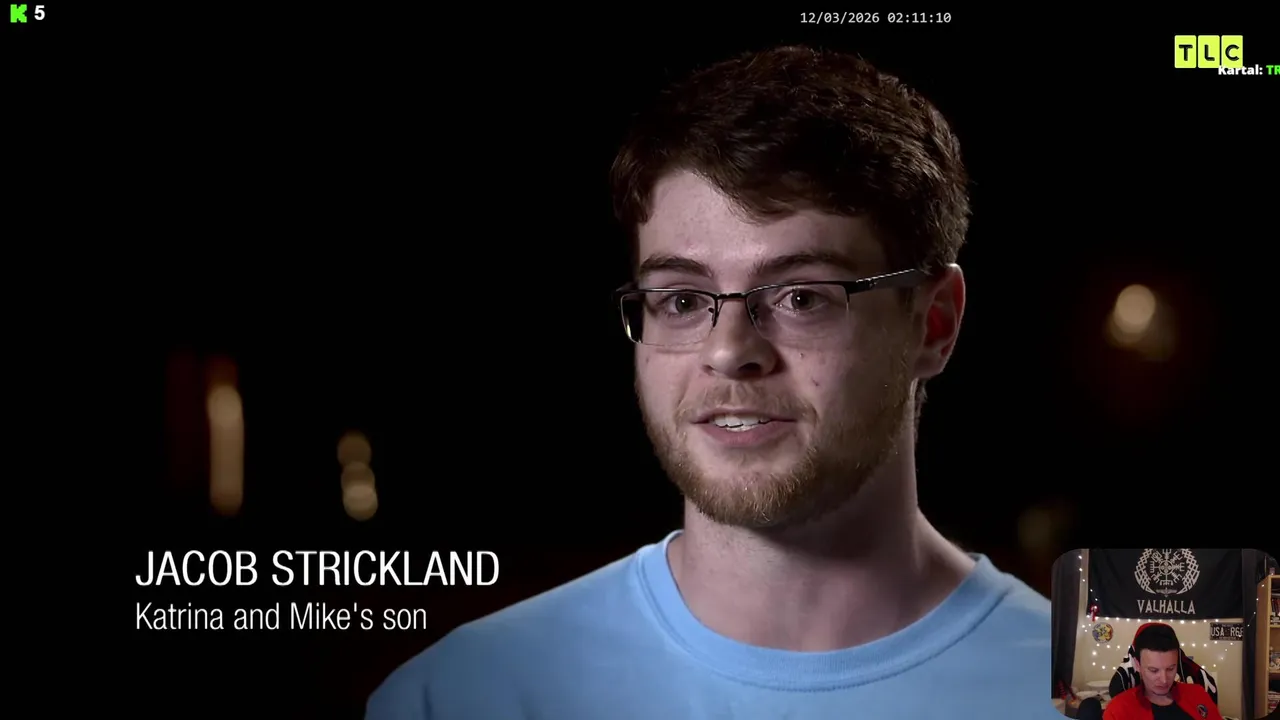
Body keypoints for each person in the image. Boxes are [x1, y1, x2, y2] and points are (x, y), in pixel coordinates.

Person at [367, 45, 1052, 719]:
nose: (728, 352)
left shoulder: (1097, 690)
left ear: (933, 324)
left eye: (801, 297)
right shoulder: (460, 697)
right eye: (683, 300)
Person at [1098, 624, 1224, 720]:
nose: (1164, 680)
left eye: (1170, 669)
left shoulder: (1198, 694)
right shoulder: (1118, 710)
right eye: (1153, 670)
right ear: (1137, 665)